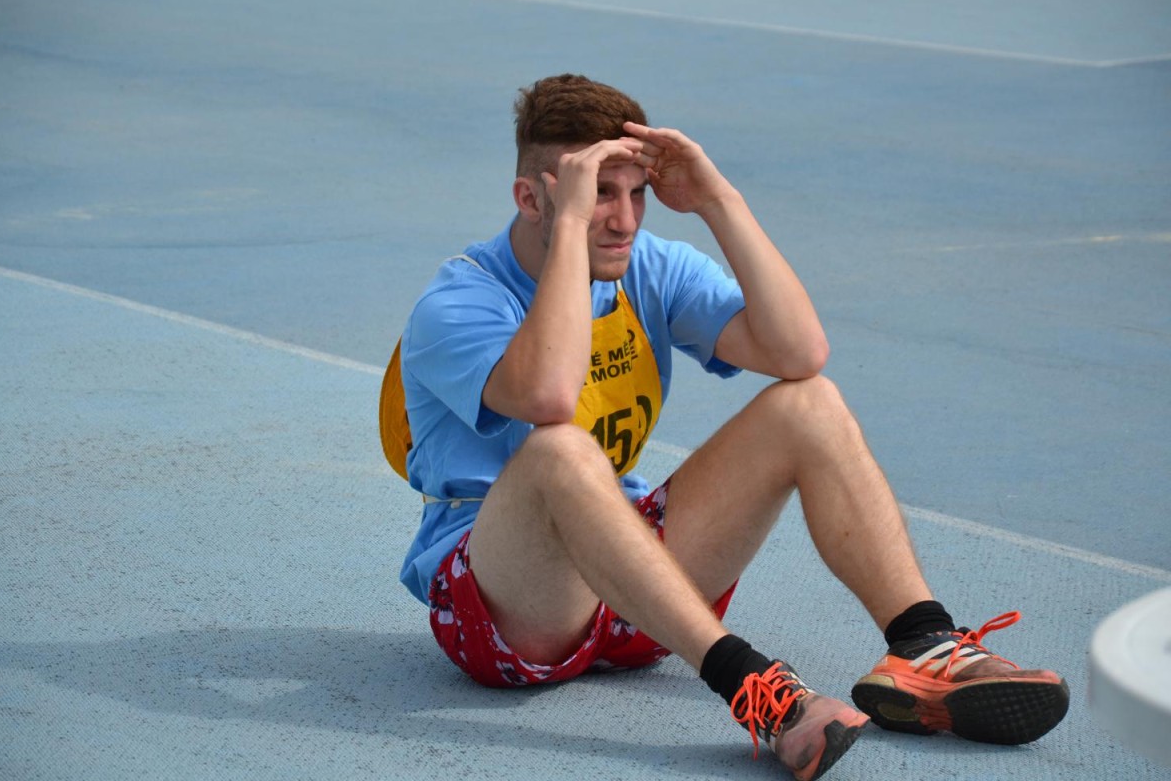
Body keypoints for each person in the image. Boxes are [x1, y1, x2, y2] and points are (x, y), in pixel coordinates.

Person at [384, 73, 1069, 780]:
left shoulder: (647, 267)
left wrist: (718, 201)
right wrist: (568, 228)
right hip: (510, 613)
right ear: (532, 199)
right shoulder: (458, 301)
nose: (623, 220)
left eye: (636, 193)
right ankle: (753, 687)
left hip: (636, 598)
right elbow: (551, 397)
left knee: (810, 403)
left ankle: (924, 644)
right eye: (597, 195)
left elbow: (798, 352)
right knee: (560, 448)